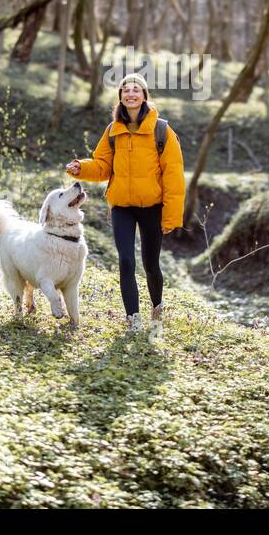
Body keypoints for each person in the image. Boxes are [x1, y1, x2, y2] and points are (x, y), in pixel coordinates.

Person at [65, 73, 184, 337]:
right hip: (122, 207)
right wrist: (80, 167)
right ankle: (133, 319)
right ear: (120, 97)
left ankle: (157, 308)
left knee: (151, 264)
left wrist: (170, 217)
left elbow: (174, 175)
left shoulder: (161, 130)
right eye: (125, 90)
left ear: (144, 96)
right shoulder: (113, 130)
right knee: (126, 262)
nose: (130, 94)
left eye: (136, 90)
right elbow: (102, 166)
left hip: (152, 207)